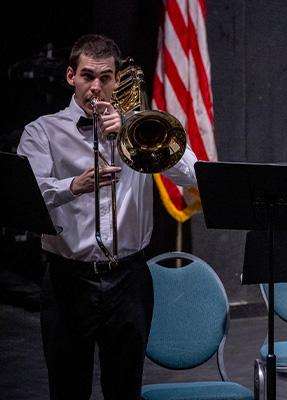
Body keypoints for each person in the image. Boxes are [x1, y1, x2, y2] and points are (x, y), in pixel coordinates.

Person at [17, 34, 198, 399]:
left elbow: (195, 175)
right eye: (87, 76)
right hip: (68, 279)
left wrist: (133, 128)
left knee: (125, 388)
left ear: (117, 80)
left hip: (128, 279)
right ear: (71, 76)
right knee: (67, 388)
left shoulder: (139, 127)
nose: (95, 87)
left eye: (105, 78)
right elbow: (27, 196)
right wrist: (73, 186)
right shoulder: (42, 132)